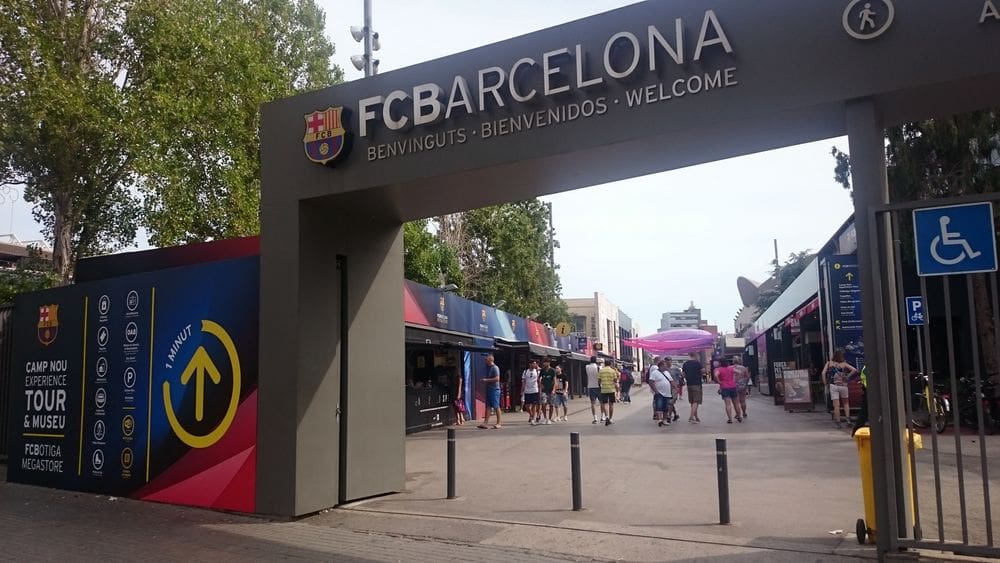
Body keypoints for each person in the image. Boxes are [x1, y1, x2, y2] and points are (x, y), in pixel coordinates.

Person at [822, 348, 859, 428]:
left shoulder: (829, 363)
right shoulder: (844, 364)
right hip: (843, 385)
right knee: (846, 403)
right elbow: (854, 370)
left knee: (836, 405)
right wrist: (847, 377)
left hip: (833, 386)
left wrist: (825, 383)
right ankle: (848, 420)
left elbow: (823, 373)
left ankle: (838, 422)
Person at [647, 360, 674, 427]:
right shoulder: (655, 373)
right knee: (659, 406)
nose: (666, 366)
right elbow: (651, 381)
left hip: (667, 393)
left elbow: (671, 380)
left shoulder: (667, 373)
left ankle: (664, 419)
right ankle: (660, 419)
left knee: (665, 407)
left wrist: (675, 387)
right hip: (659, 392)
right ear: (661, 365)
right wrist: (655, 391)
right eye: (665, 365)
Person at [478, 355, 502, 429]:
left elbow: (497, 379)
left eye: (486, 360)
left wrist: (486, 380)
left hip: (494, 390)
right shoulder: (488, 368)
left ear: (490, 360)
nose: (485, 361)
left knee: (496, 406)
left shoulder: (495, 368)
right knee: (488, 406)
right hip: (489, 389)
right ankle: (485, 423)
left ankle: (499, 423)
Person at [714, 357, 740, 423]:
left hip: (725, 387)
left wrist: (719, 381)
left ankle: (730, 419)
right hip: (733, 386)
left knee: (728, 404)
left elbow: (716, 375)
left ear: (720, 363)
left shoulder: (719, 369)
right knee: (736, 403)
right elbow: (739, 372)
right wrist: (735, 380)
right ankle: (739, 416)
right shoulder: (731, 368)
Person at [682, 352, 704, 423]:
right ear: (695, 356)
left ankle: (696, 417)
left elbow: (683, 375)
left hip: (689, 384)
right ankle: (691, 417)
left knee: (692, 402)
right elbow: (703, 371)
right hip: (697, 384)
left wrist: (688, 377)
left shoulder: (685, 364)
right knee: (696, 401)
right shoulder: (697, 363)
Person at [597, 358, 620, 425]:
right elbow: (615, 381)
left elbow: (599, 381)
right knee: (611, 404)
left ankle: (606, 416)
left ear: (604, 364)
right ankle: (610, 418)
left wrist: (601, 384)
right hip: (611, 389)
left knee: (604, 403)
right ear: (610, 364)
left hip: (604, 389)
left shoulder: (601, 371)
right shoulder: (613, 371)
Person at [521, 359, 541, 425]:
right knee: (527, 406)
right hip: (527, 390)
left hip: (535, 390)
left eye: (535, 364)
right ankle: (531, 414)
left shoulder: (537, 371)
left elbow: (539, 381)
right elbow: (524, 381)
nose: (534, 365)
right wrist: (522, 390)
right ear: (530, 364)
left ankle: (533, 419)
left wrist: (540, 389)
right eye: (533, 363)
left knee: (534, 405)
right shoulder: (525, 371)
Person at [538, 358, 557, 424]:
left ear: (549, 363)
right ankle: (545, 418)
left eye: (546, 362)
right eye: (544, 362)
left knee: (551, 405)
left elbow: (555, 381)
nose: (544, 364)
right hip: (544, 390)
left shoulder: (552, 370)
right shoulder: (542, 370)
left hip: (551, 390)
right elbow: (539, 379)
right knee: (543, 403)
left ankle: (549, 419)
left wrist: (554, 389)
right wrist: (540, 385)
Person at [665, 358, 683, 422]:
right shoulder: (664, 369)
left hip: (675, 387)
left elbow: (682, 375)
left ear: (671, 361)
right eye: (667, 361)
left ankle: (669, 417)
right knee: (670, 403)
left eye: (669, 361)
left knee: (671, 402)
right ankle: (675, 414)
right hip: (667, 388)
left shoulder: (675, 369)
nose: (668, 362)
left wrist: (679, 384)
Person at [586, 356, 602, 423]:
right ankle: (602, 417)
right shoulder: (599, 367)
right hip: (598, 387)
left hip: (590, 386)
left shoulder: (587, 367)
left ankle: (595, 418)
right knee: (602, 402)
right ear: (596, 361)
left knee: (593, 403)